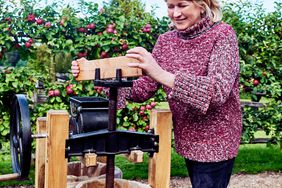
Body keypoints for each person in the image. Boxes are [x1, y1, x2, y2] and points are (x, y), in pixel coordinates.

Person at [71, 0, 242, 187]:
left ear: (202, 5)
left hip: (217, 138)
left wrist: (160, 73)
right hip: (187, 136)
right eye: (171, 6)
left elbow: (217, 92)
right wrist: (96, 73)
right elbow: (143, 89)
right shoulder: (166, 41)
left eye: (182, 5)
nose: (176, 13)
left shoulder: (223, 34)